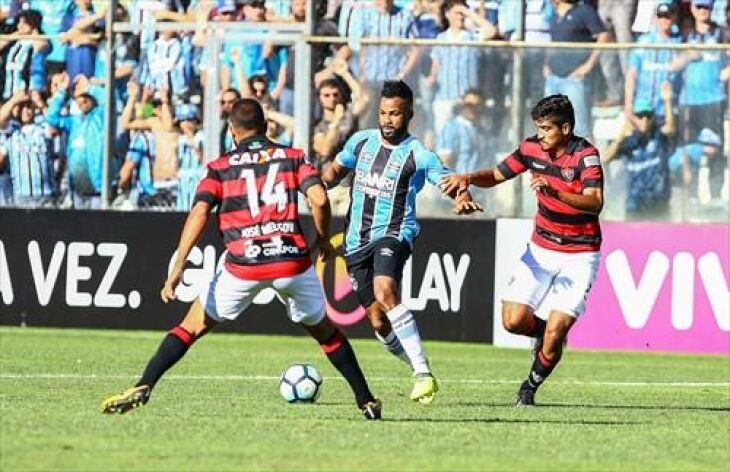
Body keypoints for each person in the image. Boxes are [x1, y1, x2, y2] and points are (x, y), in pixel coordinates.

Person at [100, 98, 382, 420]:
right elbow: (318, 198)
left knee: (190, 327)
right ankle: (366, 400)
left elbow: (200, 212)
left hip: (243, 265)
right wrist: (321, 240)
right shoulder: (292, 157)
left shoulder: (220, 168)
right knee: (327, 334)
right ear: (265, 127)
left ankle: (145, 384)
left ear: (232, 132)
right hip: (291, 261)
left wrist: (178, 266)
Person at [322, 81, 481, 405]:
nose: (387, 120)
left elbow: (450, 182)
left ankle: (422, 373)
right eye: (382, 112)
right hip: (355, 241)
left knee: (385, 290)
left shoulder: (418, 154)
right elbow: (333, 173)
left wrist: (463, 196)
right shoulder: (361, 142)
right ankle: (419, 368)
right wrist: (310, 180)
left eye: (394, 114)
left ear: (409, 114)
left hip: (394, 232)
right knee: (378, 320)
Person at [441, 95, 604, 406]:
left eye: (546, 129)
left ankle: (529, 387)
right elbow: (498, 174)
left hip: (580, 254)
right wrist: (469, 179)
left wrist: (555, 189)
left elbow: (595, 201)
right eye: (538, 128)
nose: (540, 134)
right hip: (541, 248)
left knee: (557, 331)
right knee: (513, 321)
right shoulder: (531, 148)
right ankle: (546, 338)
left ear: (565, 128)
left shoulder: (586, 156)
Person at [604, 84, 677, 220]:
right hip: (635, 203)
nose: (644, 120)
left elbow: (670, 128)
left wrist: (667, 101)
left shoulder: (659, 136)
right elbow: (606, 158)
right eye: (640, 116)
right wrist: (621, 136)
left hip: (658, 201)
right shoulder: (628, 140)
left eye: (648, 116)